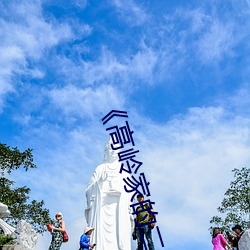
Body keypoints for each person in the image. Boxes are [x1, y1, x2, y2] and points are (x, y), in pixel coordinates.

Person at [85, 138, 134, 250]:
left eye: (116, 148)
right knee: (99, 238)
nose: (113, 150)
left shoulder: (124, 171)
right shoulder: (100, 169)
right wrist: (99, 183)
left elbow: (131, 192)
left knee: (120, 237)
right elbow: (88, 190)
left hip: (118, 209)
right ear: (107, 149)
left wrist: (122, 191)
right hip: (101, 209)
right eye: (111, 147)